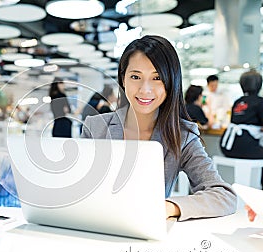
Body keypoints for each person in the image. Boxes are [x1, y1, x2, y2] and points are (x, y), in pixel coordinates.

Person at [81, 35, 236, 221]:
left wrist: (169, 207)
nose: (145, 89)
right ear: (123, 79)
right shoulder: (95, 127)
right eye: (135, 76)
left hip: (147, 234)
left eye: (157, 78)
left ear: (171, 82)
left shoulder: (182, 136)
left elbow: (224, 196)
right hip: (96, 227)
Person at [220, 70, 263, 189]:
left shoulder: (238, 101)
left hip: (228, 147)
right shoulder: (260, 102)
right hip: (246, 147)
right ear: (259, 84)